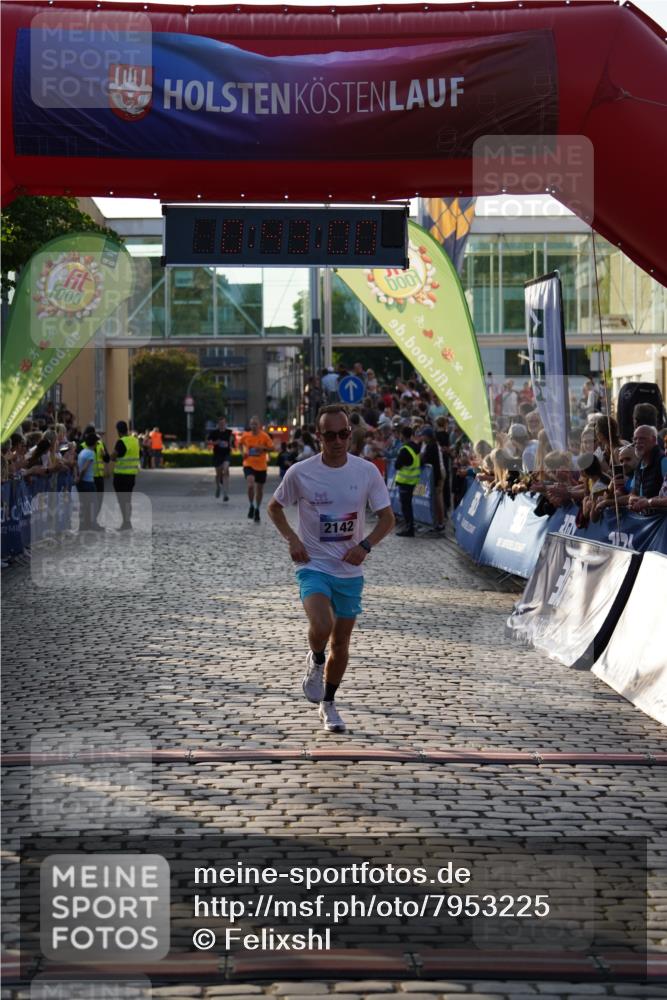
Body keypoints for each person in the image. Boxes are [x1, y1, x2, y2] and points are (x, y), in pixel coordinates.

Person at [267, 404, 394, 734]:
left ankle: (329, 703)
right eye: (330, 435)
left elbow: (388, 518)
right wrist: (292, 539)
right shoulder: (301, 472)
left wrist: (365, 546)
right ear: (318, 436)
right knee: (321, 624)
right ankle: (315, 660)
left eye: (344, 434)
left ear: (350, 434)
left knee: (342, 645)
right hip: (314, 566)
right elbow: (275, 507)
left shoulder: (366, 471)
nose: (338, 441)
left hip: (349, 571)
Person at [240, 415, 273, 522]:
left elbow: (271, 448)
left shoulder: (264, 436)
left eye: (255, 424)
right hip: (248, 464)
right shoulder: (246, 435)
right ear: (250, 425)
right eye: (252, 424)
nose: (253, 426)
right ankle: (251, 505)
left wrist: (262, 448)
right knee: (250, 485)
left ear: (259, 425)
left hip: (261, 466)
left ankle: (257, 509)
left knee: (259, 489)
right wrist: (242, 453)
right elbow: (240, 444)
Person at [111, 420, 140, 530]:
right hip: (131, 475)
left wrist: (110, 456)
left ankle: (126, 523)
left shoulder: (121, 442)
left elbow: (113, 456)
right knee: (128, 499)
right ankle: (127, 522)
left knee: (122, 500)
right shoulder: (135, 441)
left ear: (118, 430)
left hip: (121, 476)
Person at [394, 424, 420, 537]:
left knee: (406, 507)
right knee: (408, 505)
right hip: (413, 481)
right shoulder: (415, 447)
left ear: (402, 435)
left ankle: (409, 529)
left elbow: (397, 465)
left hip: (405, 482)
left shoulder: (405, 449)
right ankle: (409, 527)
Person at [208, 416, 233, 500]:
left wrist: (231, 444)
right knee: (218, 474)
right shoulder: (214, 433)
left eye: (223, 423)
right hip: (217, 455)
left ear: (226, 423)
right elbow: (208, 441)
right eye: (220, 423)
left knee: (226, 470)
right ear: (218, 424)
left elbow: (231, 441)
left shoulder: (229, 432)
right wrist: (215, 442)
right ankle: (218, 487)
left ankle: (225, 493)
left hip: (226, 454)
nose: (222, 425)